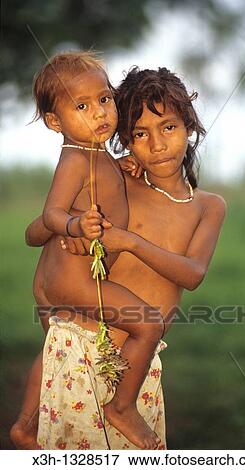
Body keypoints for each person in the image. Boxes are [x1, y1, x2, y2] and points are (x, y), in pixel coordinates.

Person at [11, 65, 227, 450]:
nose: (157, 145)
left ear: (190, 125)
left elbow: (193, 274)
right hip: (82, 349)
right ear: (125, 138)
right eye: (140, 133)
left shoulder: (208, 206)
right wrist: (69, 228)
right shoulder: (114, 181)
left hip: (137, 370)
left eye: (169, 128)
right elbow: (39, 229)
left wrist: (128, 242)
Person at [11, 50, 166, 450]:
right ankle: (122, 407)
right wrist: (75, 224)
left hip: (51, 278)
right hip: (70, 277)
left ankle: (26, 426)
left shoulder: (97, 156)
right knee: (148, 323)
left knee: (52, 351)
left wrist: (125, 165)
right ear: (55, 121)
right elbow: (51, 213)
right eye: (82, 106)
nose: (99, 113)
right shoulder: (75, 160)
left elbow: (45, 223)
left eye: (103, 99)